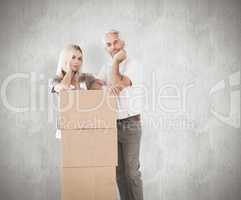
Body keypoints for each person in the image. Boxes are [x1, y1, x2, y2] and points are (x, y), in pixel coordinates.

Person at [98, 30, 144, 200]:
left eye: (116, 42)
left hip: (131, 124)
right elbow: (96, 87)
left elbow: (118, 82)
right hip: (112, 125)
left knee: (131, 173)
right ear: (105, 48)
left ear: (122, 42)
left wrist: (116, 61)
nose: (113, 47)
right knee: (118, 173)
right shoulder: (104, 68)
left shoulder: (134, 64)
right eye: (109, 44)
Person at [49, 44, 101, 138]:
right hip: (67, 126)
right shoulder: (56, 80)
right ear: (65, 59)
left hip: (85, 126)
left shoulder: (86, 78)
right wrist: (69, 71)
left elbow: (99, 95)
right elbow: (63, 88)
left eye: (79, 58)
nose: (77, 61)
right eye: (73, 57)